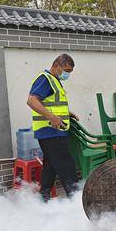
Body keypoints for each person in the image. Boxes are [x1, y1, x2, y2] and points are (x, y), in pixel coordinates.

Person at [27, 54, 78, 202]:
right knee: (66, 164)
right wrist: (51, 117)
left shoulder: (54, 80)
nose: (67, 74)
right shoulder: (45, 79)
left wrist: (67, 114)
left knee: (50, 165)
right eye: (66, 70)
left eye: (70, 72)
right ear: (56, 65)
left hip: (53, 130)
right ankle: (76, 201)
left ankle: (44, 197)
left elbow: (51, 104)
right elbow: (32, 100)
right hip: (50, 130)